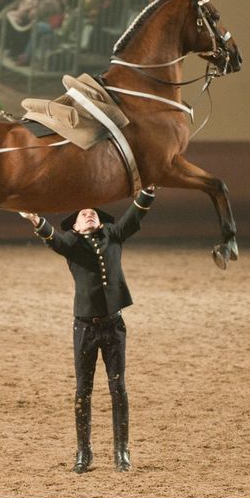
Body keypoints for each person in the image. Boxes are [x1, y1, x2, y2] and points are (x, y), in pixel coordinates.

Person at [19, 186, 156, 473]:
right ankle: (84, 452)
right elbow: (53, 239)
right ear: (76, 227)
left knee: (118, 387)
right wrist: (35, 219)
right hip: (84, 328)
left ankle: (122, 451)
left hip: (114, 325)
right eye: (83, 214)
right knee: (84, 390)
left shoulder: (113, 236)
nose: (89, 213)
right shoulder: (72, 244)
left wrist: (147, 192)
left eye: (93, 213)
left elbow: (134, 216)